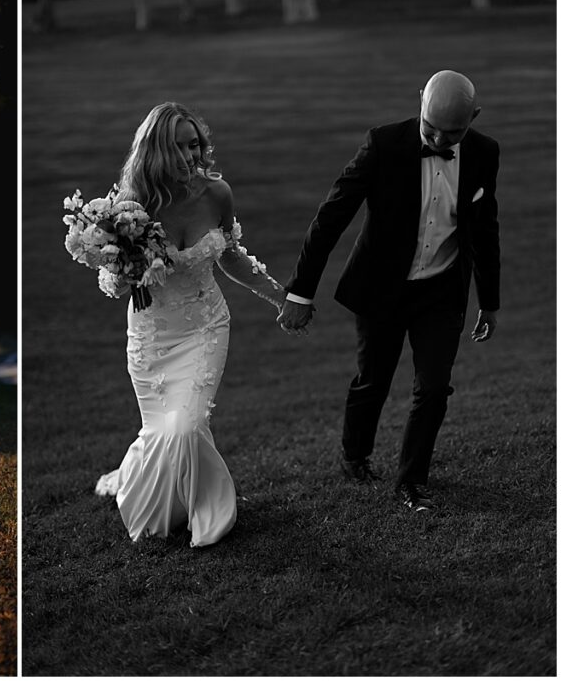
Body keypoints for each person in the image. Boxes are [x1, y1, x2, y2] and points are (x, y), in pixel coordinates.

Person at [277, 70, 500, 513]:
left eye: (451, 132)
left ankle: (411, 482)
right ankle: (354, 456)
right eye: (428, 128)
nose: (437, 140)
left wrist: (489, 302)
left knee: (434, 387)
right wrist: (300, 293)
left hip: (441, 290)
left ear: (473, 117)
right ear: (419, 102)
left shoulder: (485, 153)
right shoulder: (383, 144)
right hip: (381, 286)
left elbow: (485, 228)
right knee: (373, 378)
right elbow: (332, 216)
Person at [94, 102, 285, 547]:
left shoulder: (217, 193)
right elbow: (114, 282)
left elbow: (230, 254)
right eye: (177, 146)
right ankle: (141, 483)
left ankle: (211, 511)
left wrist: (278, 294)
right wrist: (121, 267)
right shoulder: (131, 204)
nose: (189, 155)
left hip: (205, 326)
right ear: (156, 150)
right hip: (151, 334)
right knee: (163, 429)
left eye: (194, 144)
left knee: (187, 424)